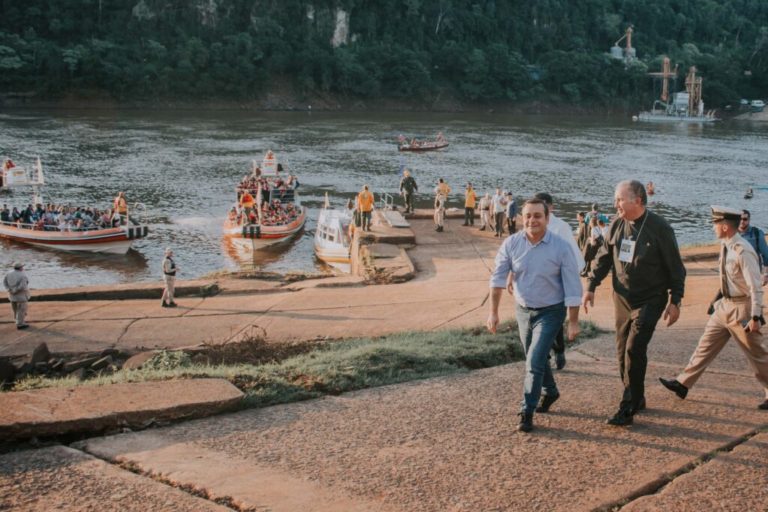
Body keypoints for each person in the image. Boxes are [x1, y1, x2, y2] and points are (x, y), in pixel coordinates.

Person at [582, 180, 686, 426]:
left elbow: (676, 268)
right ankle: (637, 397)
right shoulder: (617, 225)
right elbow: (603, 258)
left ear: (637, 200)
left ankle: (627, 407)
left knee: (634, 348)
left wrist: (675, 301)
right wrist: (591, 287)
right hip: (622, 299)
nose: (615, 203)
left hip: (651, 298)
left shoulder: (660, 228)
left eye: (619, 199)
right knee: (621, 352)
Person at [659, 206, 768, 411]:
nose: (713, 228)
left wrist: (755, 316)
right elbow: (726, 280)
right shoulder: (726, 245)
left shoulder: (743, 250)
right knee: (705, 345)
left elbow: (755, 287)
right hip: (725, 306)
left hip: (742, 309)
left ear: (725, 227)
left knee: (757, 355)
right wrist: (715, 301)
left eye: (715, 224)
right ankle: (683, 383)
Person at [488, 198, 582, 433]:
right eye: (528, 215)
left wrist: (572, 321)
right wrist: (494, 313)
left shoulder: (561, 247)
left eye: (537, 215)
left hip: (551, 311)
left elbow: (572, 286)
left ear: (547, 219)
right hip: (522, 310)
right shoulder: (511, 244)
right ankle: (550, 391)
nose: (532, 220)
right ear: (522, 218)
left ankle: (526, 410)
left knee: (533, 361)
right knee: (535, 358)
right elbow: (498, 279)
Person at [530, 192, 586, 370]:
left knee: (553, 322)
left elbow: (574, 257)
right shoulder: (531, 224)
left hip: (556, 284)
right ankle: (543, 358)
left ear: (551, 207)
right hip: (536, 283)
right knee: (535, 321)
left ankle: (559, 351)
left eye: (544, 206)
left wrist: (569, 282)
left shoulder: (561, 227)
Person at [738, 210, 768, 285]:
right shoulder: (733, 234)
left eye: (745, 219)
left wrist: (766, 274)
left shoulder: (757, 233)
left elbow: (766, 255)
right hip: (736, 272)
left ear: (749, 220)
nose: (742, 221)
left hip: (753, 272)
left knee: (753, 295)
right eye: (740, 219)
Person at [4, 262, 30, 329]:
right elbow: (22, 286)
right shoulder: (23, 275)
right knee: (21, 310)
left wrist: (9, 290)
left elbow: (4, 282)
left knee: (15, 309)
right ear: (20, 268)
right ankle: (20, 324)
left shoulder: (8, 273)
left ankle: (16, 320)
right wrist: (15, 291)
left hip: (11, 295)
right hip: (21, 295)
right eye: (22, 267)